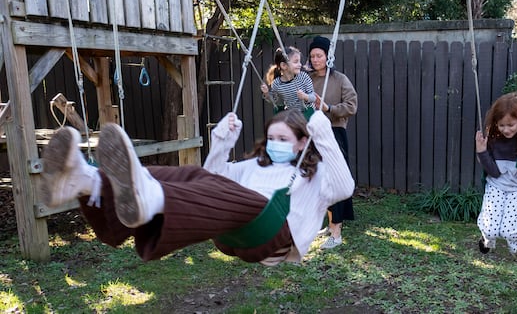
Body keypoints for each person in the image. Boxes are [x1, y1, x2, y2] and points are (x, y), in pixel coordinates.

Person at [40, 109, 354, 265]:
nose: (273, 144)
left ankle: (152, 198)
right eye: (271, 138)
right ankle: (87, 181)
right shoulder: (255, 166)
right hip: (234, 230)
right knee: (193, 174)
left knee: (247, 199)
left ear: (302, 142)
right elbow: (211, 179)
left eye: (282, 140)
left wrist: (325, 135)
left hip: (272, 236)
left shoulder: (314, 176)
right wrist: (221, 141)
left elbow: (344, 188)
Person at [475, 91, 517, 262]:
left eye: (511, 125)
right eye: (501, 125)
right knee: (489, 230)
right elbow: (494, 172)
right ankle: (487, 238)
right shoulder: (492, 138)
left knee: (511, 232)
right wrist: (482, 152)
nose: (505, 130)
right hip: (496, 184)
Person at [307, 35, 358, 249]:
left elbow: (352, 105)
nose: (316, 59)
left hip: (334, 133)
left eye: (319, 55)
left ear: (328, 56)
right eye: (312, 56)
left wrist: (328, 108)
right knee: (318, 180)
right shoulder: (306, 79)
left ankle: (336, 233)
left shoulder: (339, 79)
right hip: (312, 133)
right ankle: (329, 222)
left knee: (334, 180)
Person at [260, 46, 316, 115]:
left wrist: (305, 96)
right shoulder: (277, 83)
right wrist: (266, 93)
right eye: (296, 62)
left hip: (307, 112)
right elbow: (274, 100)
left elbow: (313, 97)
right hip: (292, 114)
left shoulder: (303, 77)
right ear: (283, 65)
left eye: (299, 61)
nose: (300, 64)